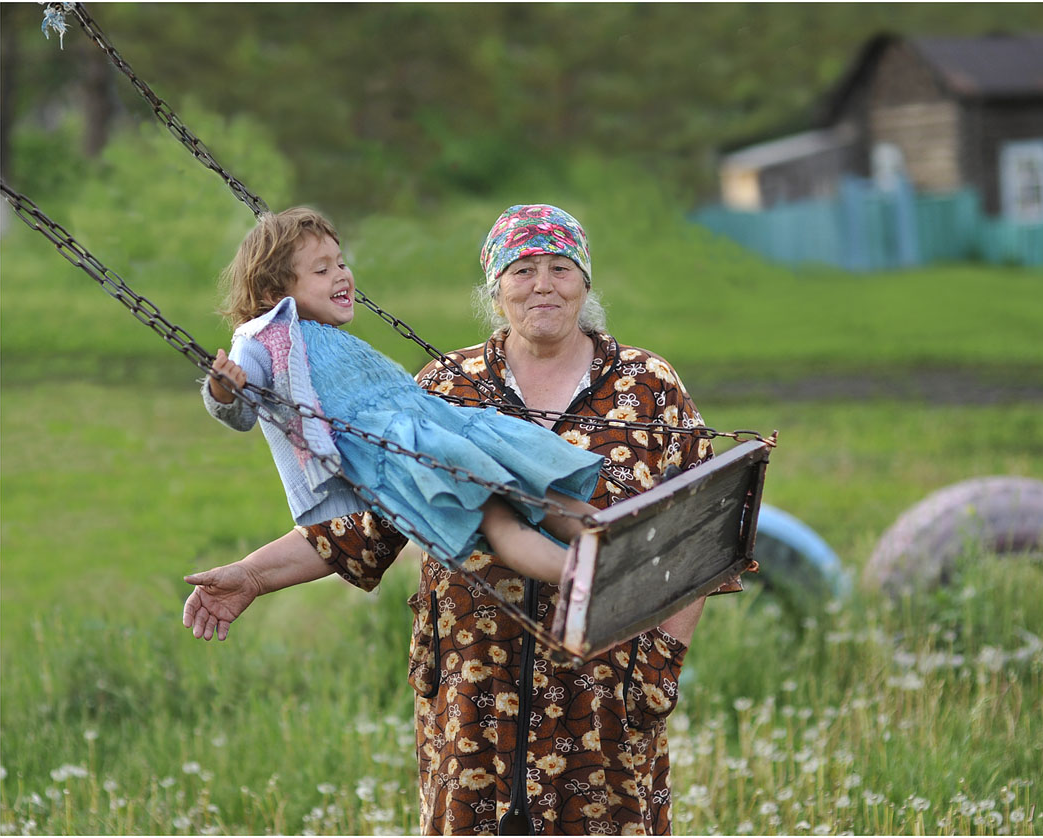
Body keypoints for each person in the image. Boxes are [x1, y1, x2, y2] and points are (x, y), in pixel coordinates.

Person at [184, 204, 749, 835]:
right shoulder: (450, 387)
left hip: (606, 698)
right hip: (474, 696)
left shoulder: (648, 387)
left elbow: (704, 534)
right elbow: (365, 527)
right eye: (523, 269)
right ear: (496, 288)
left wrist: (662, 660)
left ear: (586, 283)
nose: (543, 284)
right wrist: (253, 577)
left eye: (561, 268)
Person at [201, 207, 605, 583]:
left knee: (540, 486)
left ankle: (627, 540)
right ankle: (585, 581)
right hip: (399, 447)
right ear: (275, 294)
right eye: (322, 270)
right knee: (498, 517)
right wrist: (223, 387)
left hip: (432, 422)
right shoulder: (261, 337)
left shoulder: (317, 331)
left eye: (341, 263)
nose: (341, 275)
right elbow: (241, 412)